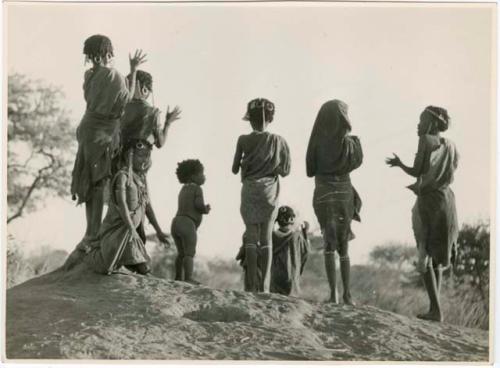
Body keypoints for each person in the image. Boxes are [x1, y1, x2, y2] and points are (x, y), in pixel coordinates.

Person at [71, 34, 146, 252]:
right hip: (102, 133)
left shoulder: (89, 75)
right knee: (99, 182)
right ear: (107, 53)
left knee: (90, 181)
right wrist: (133, 70)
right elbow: (126, 100)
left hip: (87, 129)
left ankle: (89, 232)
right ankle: (93, 235)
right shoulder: (113, 75)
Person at [386, 105, 459, 322]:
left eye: (421, 120)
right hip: (447, 200)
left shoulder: (426, 140)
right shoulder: (451, 145)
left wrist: (399, 164)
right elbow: (454, 168)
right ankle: (436, 309)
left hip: (429, 201)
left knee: (425, 252)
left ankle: (435, 310)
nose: (418, 125)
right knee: (438, 257)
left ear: (433, 123)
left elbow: (418, 170)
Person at [306, 99, 363, 305]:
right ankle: (347, 294)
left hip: (323, 193)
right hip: (344, 194)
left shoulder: (317, 141)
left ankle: (333, 294)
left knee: (329, 243)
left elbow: (310, 168)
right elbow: (357, 162)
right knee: (344, 245)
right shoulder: (351, 143)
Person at [232, 98, 291, 293]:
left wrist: (247, 164)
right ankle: (264, 287)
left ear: (250, 120)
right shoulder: (279, 141)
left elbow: (234, 169)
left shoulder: (242, 139)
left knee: (250, 237)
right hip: (269, 192)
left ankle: (250, 286)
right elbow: (285, 170)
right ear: (271, 119)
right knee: (266, 239)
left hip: (249, 190)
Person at [85, 143, 170, 275]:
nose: (145, 160)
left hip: (132, 235)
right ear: (130, 156)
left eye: (147, 157)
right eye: (141, 156)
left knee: (144, 268)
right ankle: (91, 254)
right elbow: (122, 203)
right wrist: (131, 227)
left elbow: (147, 207)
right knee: (114, 266)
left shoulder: (141, 180)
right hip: (118, 233)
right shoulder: (122, 176)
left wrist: (158, 231)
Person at [120, 69, 181, 157]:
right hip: (140, 163)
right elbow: (160, 143)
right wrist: (167, 123)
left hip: (118, 160)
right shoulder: (153, 112)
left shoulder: (120, 108)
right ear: (145, 90)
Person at [171, 159, 211, 284]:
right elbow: (198, 205)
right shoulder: (197, 189)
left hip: (176, 222)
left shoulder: (183, 189)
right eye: (202, 174)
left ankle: (178, 276)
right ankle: (188, 277)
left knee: (181, 253)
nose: (204, 177)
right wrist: (205, 209)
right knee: (189, 253)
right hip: (188, 223)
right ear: (194, 176)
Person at [270, 206, 309, 296]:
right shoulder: (297, 237)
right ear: (292, 219)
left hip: (273, 282)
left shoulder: (270, 237)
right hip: (291, 283)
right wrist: (305, 232)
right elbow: (305, 253)